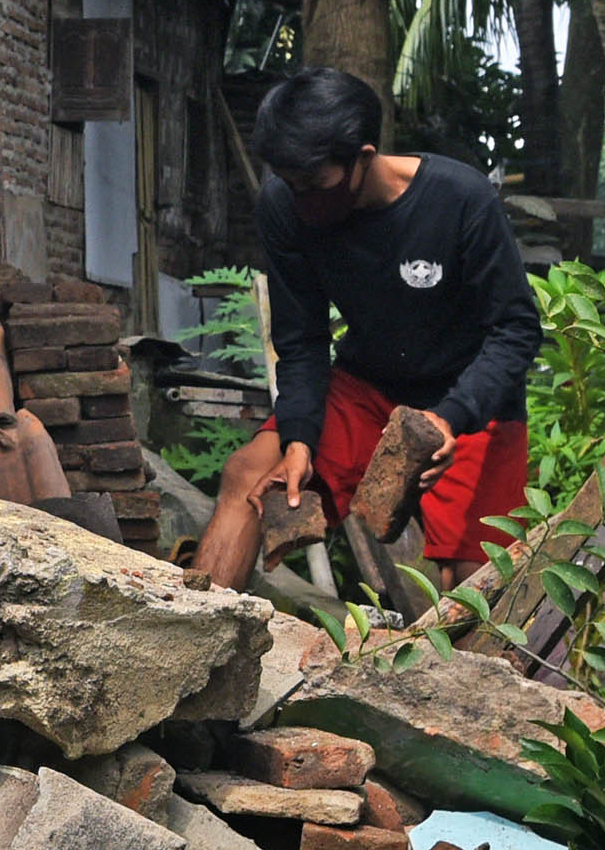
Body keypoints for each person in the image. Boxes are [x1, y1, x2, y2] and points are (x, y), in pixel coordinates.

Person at [190, 67, 543, 592]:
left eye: (316, 187)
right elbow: (302, 338)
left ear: (364, 158)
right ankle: (186, 641)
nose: (302, 202)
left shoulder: (460, 200)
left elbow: (516, 329)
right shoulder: (284, 206)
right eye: (291, 186)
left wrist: (449, 418)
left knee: (477, 574)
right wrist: (299, 439)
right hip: (367, 384)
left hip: (471, 396)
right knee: (250, 476)